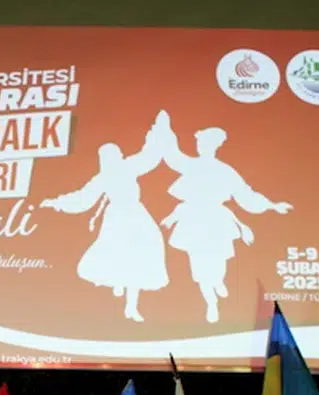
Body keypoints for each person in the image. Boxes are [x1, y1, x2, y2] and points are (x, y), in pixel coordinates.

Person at [153, 114, 292, 322]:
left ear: (214, 146)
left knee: (218, 264)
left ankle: (217, 281)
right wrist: (165, 130)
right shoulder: (190, 165)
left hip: (217, 222)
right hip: (193, 222)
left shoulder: (225, 171)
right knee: (199, 267)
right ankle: (211, 302)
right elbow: (173, 156)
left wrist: (272, 205)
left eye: (205, 143)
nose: (200, 146)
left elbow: (246, 194)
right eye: (199, 142)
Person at [39, 112, 170, 322]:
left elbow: (149, 156)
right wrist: (56, 203)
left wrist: (158, 132)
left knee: (139, 257)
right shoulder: (103, 177)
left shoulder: (127, 167)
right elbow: (82, 198)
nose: (110, 160)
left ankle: (131, 306)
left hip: (134, 216)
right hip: (118, 219)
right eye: (107, 157)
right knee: (120, 255)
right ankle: (120, 286)